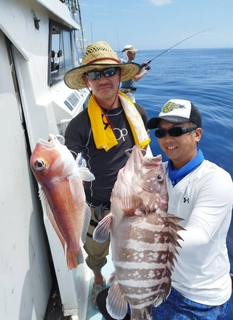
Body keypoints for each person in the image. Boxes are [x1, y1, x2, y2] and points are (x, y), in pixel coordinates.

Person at [96, 99, 233, 319]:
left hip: (199, 296)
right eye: (161, 133)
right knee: (112, 303)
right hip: (159, 282)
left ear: (197, 134)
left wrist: (139, 249)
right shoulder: (156, 173)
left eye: (177, 131)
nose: (167, 139)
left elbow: (199, 235)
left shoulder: (216, 180)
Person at [63, 41, 150, 309]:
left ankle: (132, 289)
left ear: (120, 75)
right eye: (94, 74)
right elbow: (69, 170)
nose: (103, 79)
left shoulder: (138, 113)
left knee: (134, 251)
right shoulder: (78, 127)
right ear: (87, 81)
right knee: (96, 252)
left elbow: (143, 154)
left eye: (109, 72)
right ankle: (99, 279)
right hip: (98, 206)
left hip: (131, 205)